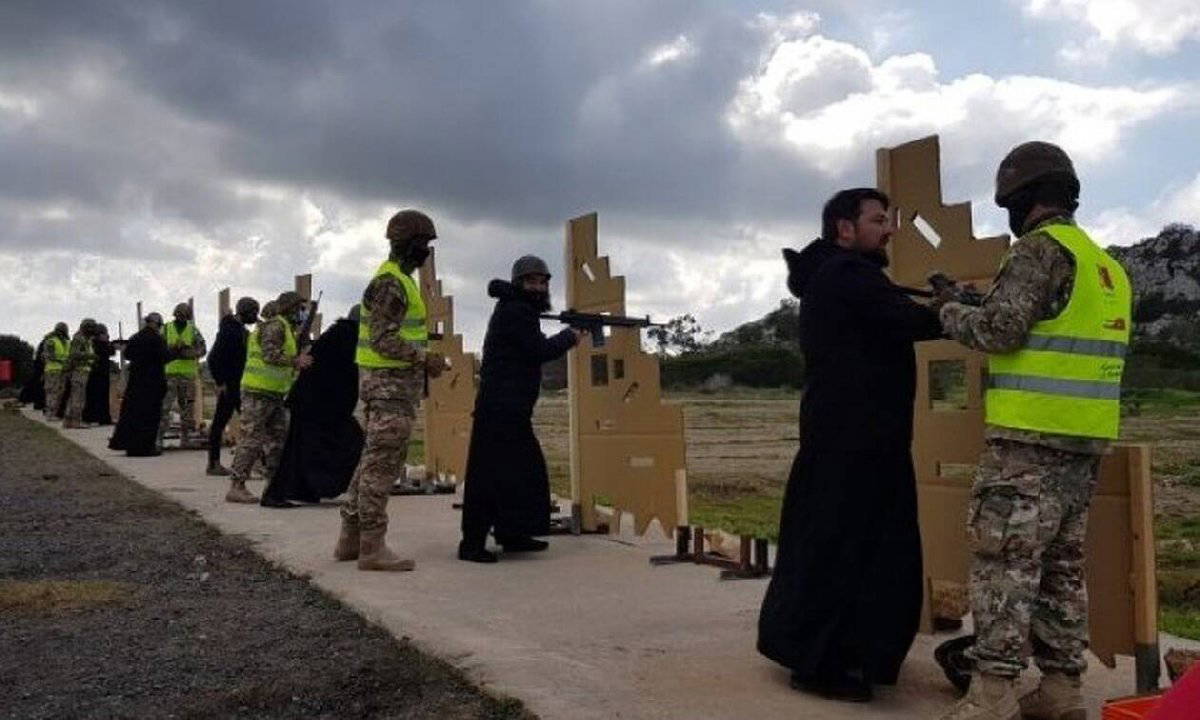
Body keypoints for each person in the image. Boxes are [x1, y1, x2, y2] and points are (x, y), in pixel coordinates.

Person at [936, 142, 1131, 720]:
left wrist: (950, 311)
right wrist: (979, 302)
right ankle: (1061, 691)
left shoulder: (1036, 251)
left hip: (1026, 445)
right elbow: (1046, 325)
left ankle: (992, 695)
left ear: (1022, 200)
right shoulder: (1105, 267)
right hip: (1082, 446)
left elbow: (999, 333)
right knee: (1060, 571)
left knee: (1003, 565)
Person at [757, 188, 943, 702]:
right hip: (858, 444)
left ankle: (827, 653)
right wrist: (957, 307)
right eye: (878, 220)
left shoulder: (834, 274)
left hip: (848, 439)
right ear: (844, 228)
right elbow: (911, 320)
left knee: (833, 548)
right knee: (850, 553)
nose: (889, 230)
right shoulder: (847, 274)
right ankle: (822, 664)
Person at [334, 209, 445, 572]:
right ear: (408, 244)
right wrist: (424, 359)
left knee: (371, 462)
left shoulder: (399, 280)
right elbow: (383, 339)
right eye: (423, 243)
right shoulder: (391, 283)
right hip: (389, 388)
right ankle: (372, 546)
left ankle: (350, 539)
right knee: (381, 467)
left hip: (390, 387)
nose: (426, 251)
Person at [458, 255, 579, 563]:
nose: (538, 287)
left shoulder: (519, 308)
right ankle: (472, 544)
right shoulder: (516, 310)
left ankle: (512, 533)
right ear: (518, 283)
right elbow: (538, 350)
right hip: (500, 410)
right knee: (489, 477)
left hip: (510, 410)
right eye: (531, 282)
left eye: (542, 282)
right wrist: (571, 336)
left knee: (521, 474)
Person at [262, 305, 364, 507]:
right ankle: (279, 493)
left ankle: (301, 490)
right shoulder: (347, 337)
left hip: (314, 403)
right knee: (348, 442)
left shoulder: (340, 334)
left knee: (300, 450)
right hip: (319, 406)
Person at [226, 291, 311, 504]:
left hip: (274, 393)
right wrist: (296, 361)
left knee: (277, 443)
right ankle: (237, 486)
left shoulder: (287, 329)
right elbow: (270, 354)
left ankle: (273, 489)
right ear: (290, 308)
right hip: (258, 391)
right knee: (251, 440)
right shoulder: (275, 326)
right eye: (299, 308)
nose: (302, 312)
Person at [205, 297, 259, 476]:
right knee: (223, 423)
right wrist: (220, 382)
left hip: (238, 384)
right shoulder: (229, 331)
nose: (255, 317)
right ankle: (214, 464)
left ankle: (219, 463)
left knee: (247, 423)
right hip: (230, 385)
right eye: (254, 313)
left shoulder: (239, 330)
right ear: (245, 312)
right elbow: (213, 358)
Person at [109, 313, 172, 456]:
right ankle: (145, 448)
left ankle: (130, 446)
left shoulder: (135, 337)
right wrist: (175, 351)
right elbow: (165, 357)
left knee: (132, 414)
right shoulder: (157, 339)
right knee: (149, 417)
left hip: (136, 382)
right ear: (155, 324)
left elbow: (127, 354)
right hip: (152, 383)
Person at [158, 302, 207, 449]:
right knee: (164, 408)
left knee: (187, 410)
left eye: (184, 315)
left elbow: (202, 349)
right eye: (179, 314)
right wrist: (172, 349)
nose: (181, 317)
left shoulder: (193, 330)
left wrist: (188, 351)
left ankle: (185, 438)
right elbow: (158, 348)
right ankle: (158, 439)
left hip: (187, 375)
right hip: (169, 374)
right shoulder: (166, 329)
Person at [62, 318, 99, 429]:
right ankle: (75, 421)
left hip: (83, 370)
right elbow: (74, 354)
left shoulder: (86, 339)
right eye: (91, 327)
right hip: (79, 371)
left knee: (75, 396)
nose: (93, 330)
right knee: (78, 397)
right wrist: (90, 356)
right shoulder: (79, 339)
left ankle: (68, 421)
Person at [81, 323, 116, 425]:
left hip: (101, 372)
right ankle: (93, 417)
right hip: (96, 372)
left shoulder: (97, 343)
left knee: (101, 396)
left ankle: (101, 418)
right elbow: (108, 351)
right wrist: (108, 343)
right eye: (105, 334)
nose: (106, 336)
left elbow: (111, 352)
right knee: (95, 396)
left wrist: (109, 343)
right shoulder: (95, 344)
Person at [41, 322, 70, 420]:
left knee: (59, 393)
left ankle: (54, 413)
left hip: (63, 370)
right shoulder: (51, 341)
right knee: (52, 392)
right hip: (52, 370)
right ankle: (50, 414)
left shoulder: (66, 342)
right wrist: (62, 361)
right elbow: (48, 356)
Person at [20, 332, 50, 410]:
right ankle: (38, 403)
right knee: (39, 385)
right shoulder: (46, 344)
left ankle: (30, 400)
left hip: (38, 366)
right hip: (42, 366)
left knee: (36, 383)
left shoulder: (43, 344)